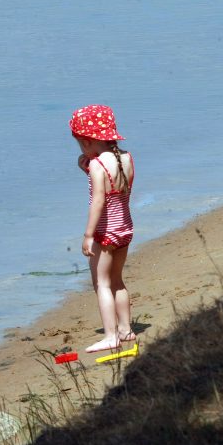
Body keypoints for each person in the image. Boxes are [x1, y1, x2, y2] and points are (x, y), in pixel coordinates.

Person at [69, 105, 136, 353]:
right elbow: (115, 184)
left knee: (102, 283)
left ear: (87, 142)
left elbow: (99, 200)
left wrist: (88, 235)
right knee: (118, 281)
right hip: (125, 228)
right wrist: (87, 167)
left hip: (105, 232)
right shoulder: (126, 158)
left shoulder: (98, 166)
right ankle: (126, 329)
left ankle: (110, 335)